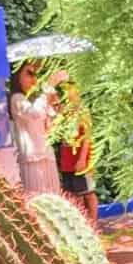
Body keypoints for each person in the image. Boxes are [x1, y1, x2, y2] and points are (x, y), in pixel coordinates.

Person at [8, 60, 63, 196]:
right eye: (29, 73)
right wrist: (48, 88)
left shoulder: (31, 99)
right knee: (38, 202)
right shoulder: (16, 98)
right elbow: (34, 114)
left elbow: (48, 129)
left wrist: (54, 109)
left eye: (35, 74)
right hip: (32, 159)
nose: (34, 79)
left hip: (46, 155)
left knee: (55, 198)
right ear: (17, 75)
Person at [55, 78, 99, 225]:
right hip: (67, 160)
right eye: (64, 90)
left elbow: (87, 137)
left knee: (88, 192)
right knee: (74, 194)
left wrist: (82, 159)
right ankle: (81, 225)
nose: (67, 93)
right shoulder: (64, 111)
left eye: (70, 89)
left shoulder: (82, 111)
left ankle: (93, 224)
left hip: (81, 160)